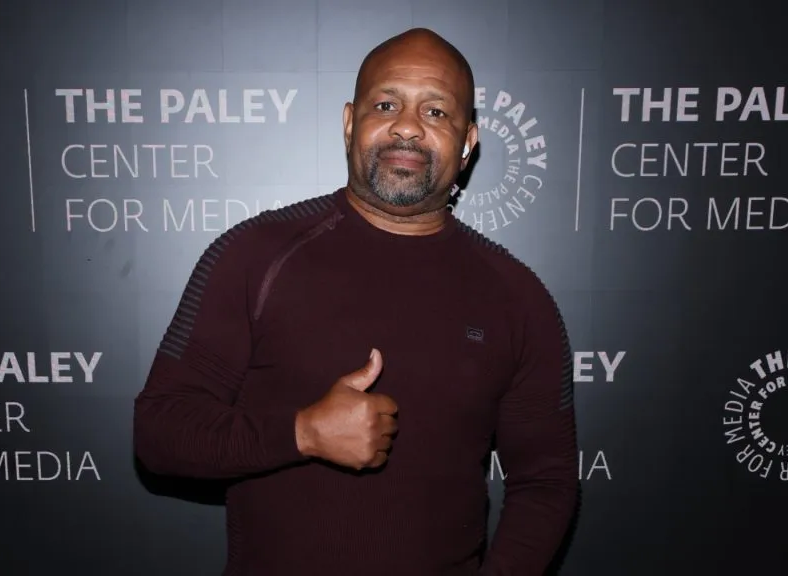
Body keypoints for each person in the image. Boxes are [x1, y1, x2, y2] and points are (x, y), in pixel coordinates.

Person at [134, 27, 579, 576]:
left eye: (437, 112)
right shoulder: (254, 255)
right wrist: (302, 434)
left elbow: (547, 482)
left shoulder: (519, 296)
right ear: (350, 124)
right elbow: (159, 431)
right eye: (386, 103)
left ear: (468, 143)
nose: (408, 126)